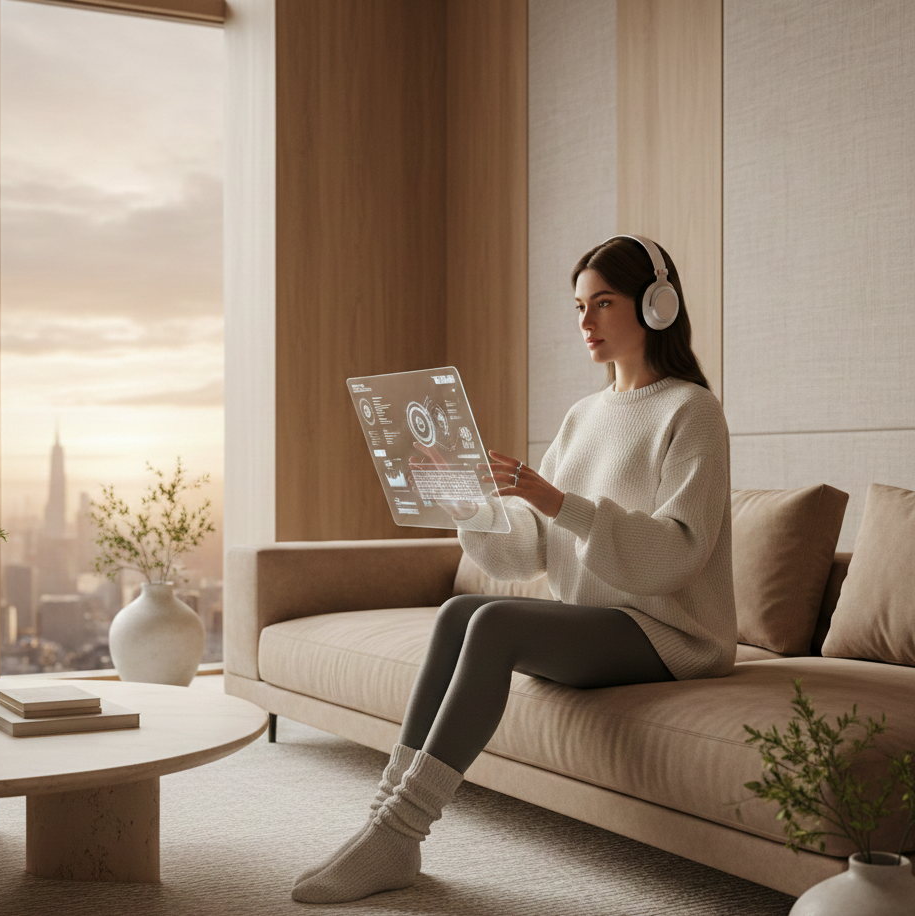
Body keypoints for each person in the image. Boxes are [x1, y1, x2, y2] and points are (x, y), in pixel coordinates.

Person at [291, 235, 736, 905]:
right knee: (461, 612)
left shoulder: (692, 411)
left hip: (671, 634)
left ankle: (402, 831)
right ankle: (385, 822)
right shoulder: (583, 416)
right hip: (599, 622)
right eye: (578, 306)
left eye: (602, 304)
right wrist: (467, 504)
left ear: (657, 304)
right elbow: (526, 554)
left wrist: (555, 500)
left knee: (494, 623)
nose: (584, 323)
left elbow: (678, 552)